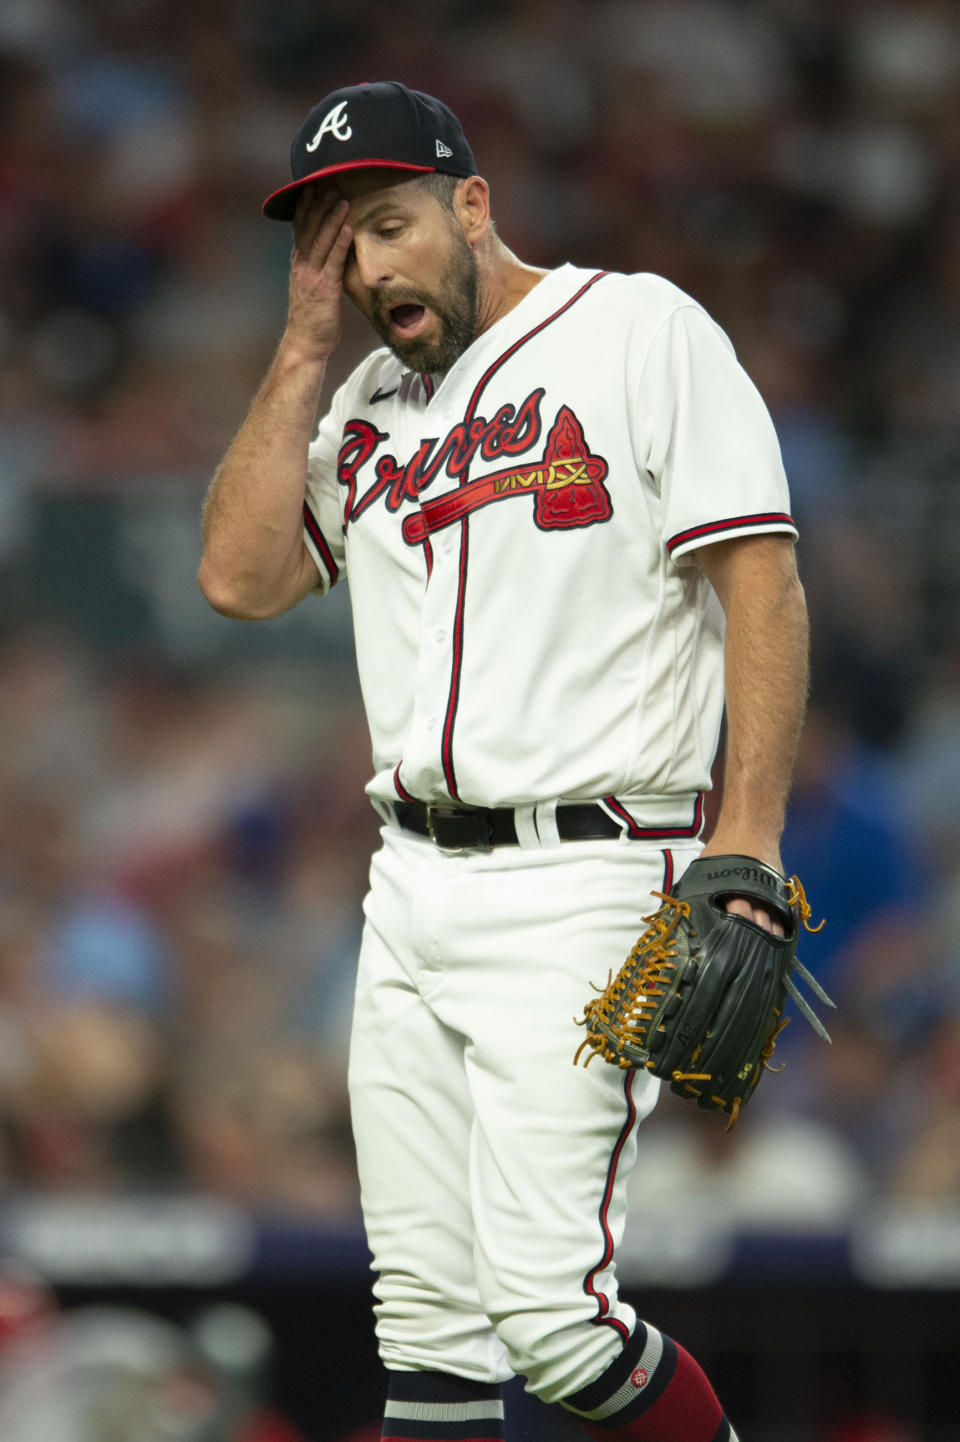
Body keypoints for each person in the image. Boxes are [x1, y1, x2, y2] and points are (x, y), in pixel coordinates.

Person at [198, 81, 809, 1442]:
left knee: (556, 1319)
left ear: (473, 203)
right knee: (425, 1332)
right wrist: (301, 355)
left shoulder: (638, 330)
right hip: (407, 885)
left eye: (393, 223)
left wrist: (751, 834)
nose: (369, 266)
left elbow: (760, 579)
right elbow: (237, 579)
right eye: (341, 244)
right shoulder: (361, 402)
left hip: (593, 868)